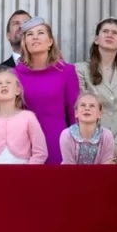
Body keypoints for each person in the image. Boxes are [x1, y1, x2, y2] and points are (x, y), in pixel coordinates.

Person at [14, 17, 79, 164]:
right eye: (30, 34)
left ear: (50, 42)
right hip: (25, 143)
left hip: (58, 142)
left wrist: (77, 146)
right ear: (25, 43)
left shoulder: (66, 71)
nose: (35, 37)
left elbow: (74, 112)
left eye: (40, 33)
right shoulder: (15, 74)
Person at [74, 17, 117, 163]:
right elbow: (82, 109)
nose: (109, 34)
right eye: (105, 31)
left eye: (115, 33)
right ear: (97, 39)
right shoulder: (80, 70)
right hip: (90, 148)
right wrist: (103, 145)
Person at [0, 67, 48, 164]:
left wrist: (27, 173)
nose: (4, 85)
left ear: (18, 90)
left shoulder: (28, 117)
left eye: (8, 82)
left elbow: (40, 153)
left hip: (23, 175)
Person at [0, 10, 32, 117]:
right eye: (16, 23)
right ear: (8, 36)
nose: (21, 26)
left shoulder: (51, 69)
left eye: (25, 23)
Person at [60, 92, 116, 164]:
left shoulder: (107, 136)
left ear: (100, 114)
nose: (87, 108)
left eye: (92, 106)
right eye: (83, 105)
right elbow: (69, 167)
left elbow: (106, 166)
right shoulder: (67, 135)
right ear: (76, 113)